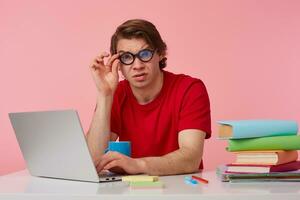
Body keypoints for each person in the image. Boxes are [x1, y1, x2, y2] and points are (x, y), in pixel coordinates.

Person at [86, 19, 211, 176]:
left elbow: (191, 157)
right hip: (131, 191)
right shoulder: (116, 94)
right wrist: (104, 95)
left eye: (145, 54)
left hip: (181, 188)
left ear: (160, 54)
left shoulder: (190, 89)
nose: (137, 65)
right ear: (118, 64)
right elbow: (91, 161)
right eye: (126, 57)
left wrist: (137, 164)